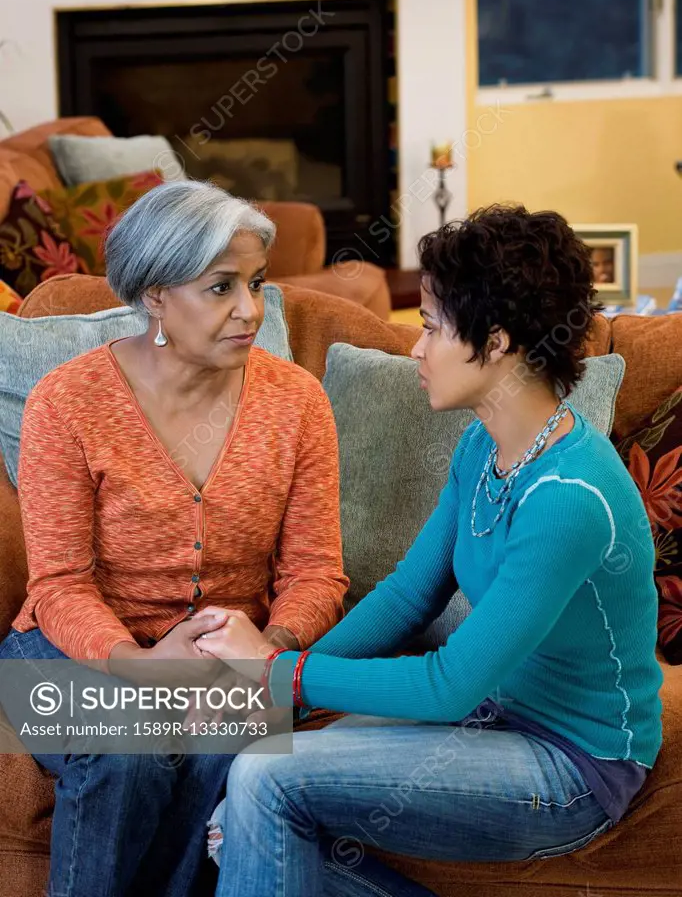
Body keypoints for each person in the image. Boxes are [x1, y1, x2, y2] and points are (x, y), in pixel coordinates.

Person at [197, 205, 664, 897]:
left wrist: (279, 676)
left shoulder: (569, 497)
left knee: (265, 779)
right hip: (499, 716)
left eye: (434, 327)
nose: (416, 347)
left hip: (572, 766)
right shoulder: (483, 444)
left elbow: (450, 686)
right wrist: (283, 680)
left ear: (497, 342)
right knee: (237, 820)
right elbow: (409, 594)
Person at [0, 180, 349, 897]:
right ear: (155, 295)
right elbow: (58, 585)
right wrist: (143, 666)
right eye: (220, 288)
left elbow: (318, 572)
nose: (250, 310)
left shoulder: (298, 402)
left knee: (231, 749)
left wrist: (264, 652)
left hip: (234, 653)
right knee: (127, 752)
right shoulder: (67, 402)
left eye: (255, 283)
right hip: (61, 650)